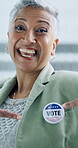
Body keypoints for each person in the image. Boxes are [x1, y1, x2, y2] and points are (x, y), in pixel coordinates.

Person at [0, 0, 78, 147]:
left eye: (41, 30)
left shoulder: (70, 84)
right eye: (20, 27)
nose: (28, 39)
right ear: (9, 39)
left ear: (53, 46)